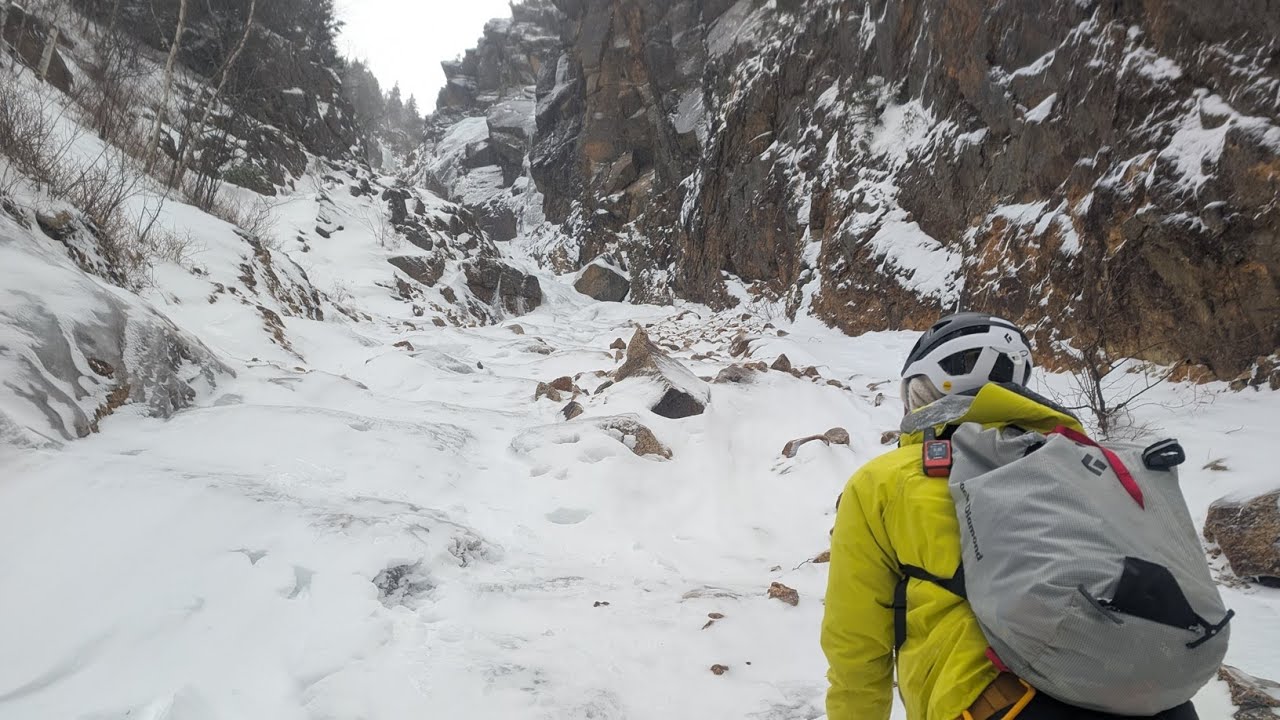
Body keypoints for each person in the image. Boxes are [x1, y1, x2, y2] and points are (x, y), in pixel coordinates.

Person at [820, 312, 1199, 720]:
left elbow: (856, 647)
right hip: (1158, 702)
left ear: (923, 390)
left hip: (1000, 705)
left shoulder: (884, 481)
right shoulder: (1081, 463)